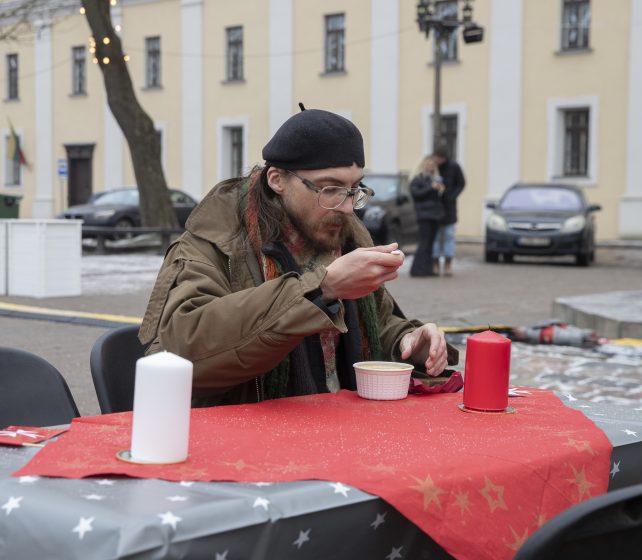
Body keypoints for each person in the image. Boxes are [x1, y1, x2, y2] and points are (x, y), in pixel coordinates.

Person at [139, 107, 458, 406]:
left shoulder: (345, 233)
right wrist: (321, 290)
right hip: (245, 437)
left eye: (354, 189)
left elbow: (376, 323)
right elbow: (181, 350)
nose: (347, 207)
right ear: (277, 180)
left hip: (345, 433)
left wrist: (409, 342)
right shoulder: (216, 240)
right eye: (329, 188)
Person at [431, 145, 466, 277]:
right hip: (434, 208)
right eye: (436, 157)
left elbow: (461, 183)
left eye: (439, 158)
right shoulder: (433, 167)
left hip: (449, 208)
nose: (437, 160)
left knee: (448, 237)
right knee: (436, 238)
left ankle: (447, 264)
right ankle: (435, 264)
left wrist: (452, 196)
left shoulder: (454, 167)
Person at [408, 156, 445, 277]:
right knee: (424, 242)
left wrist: (440, 189)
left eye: (432, 164)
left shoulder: (434, 179)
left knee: (430, 243)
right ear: (423, 165)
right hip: (424, 215)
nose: (431, 166)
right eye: (428, 164)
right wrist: (431, 188)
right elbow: (416, 194)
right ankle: (417, 269)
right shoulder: (417, 179)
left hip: (434, 215)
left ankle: (427, 269)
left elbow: (437, 198)